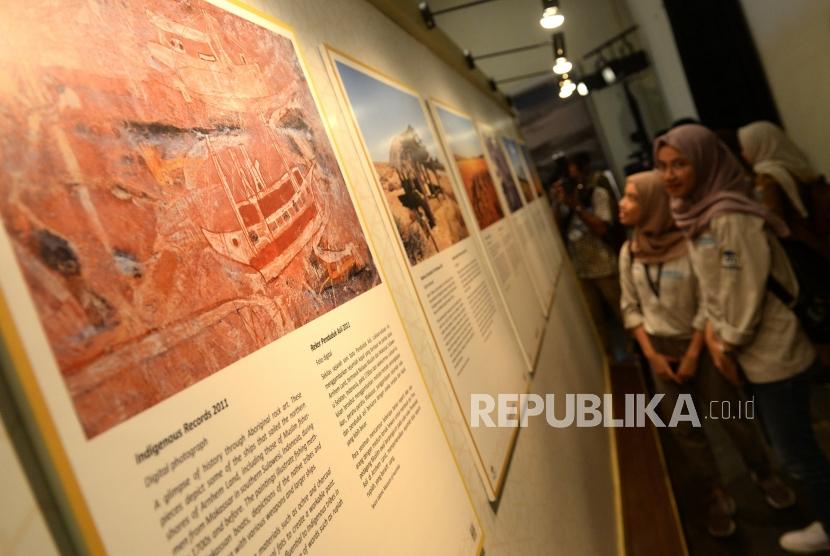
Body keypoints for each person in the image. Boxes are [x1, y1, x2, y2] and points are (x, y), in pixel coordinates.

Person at [654, 124, 830, 553]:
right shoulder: (701, 214)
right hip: (749, 349)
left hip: (772, 350)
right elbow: (719, 285)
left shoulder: (729, 217)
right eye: (662, 166)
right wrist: (718, 335)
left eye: (680, 163)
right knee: (790, 445)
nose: (671, 175)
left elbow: (741, 284)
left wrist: (724, 342)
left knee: (796, 453)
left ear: (707, 161)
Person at [618, 170, 794, 538]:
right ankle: (715, 493)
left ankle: (762, 471)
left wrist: (694, 353)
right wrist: (651, 355)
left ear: (653, 202)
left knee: (732, 416)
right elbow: (630, 306)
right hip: (658, 352)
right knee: (684, 430)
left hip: (699, 343)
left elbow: (709, 300)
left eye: (632, 197)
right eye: (626, 196)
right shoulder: (629, 251)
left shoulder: (691, 241)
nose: (622, 204)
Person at [554, 152, 624, 357]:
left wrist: (577, 206)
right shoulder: (565, 199)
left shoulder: (597, 192)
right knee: (595, 322)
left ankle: (639, 358)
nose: (571, 179)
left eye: (573, 174)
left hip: (604, 265)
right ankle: (609, 360)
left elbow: (602, 227)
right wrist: (560, 203)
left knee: (622, 315)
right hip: (582, 269)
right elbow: (559, 229)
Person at [737, 120, 829, 259]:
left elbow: (772, 217)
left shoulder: (768, 177)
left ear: (760, 145)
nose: (743, 154)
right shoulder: (795, 163)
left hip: (803, 247)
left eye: (745, 147)